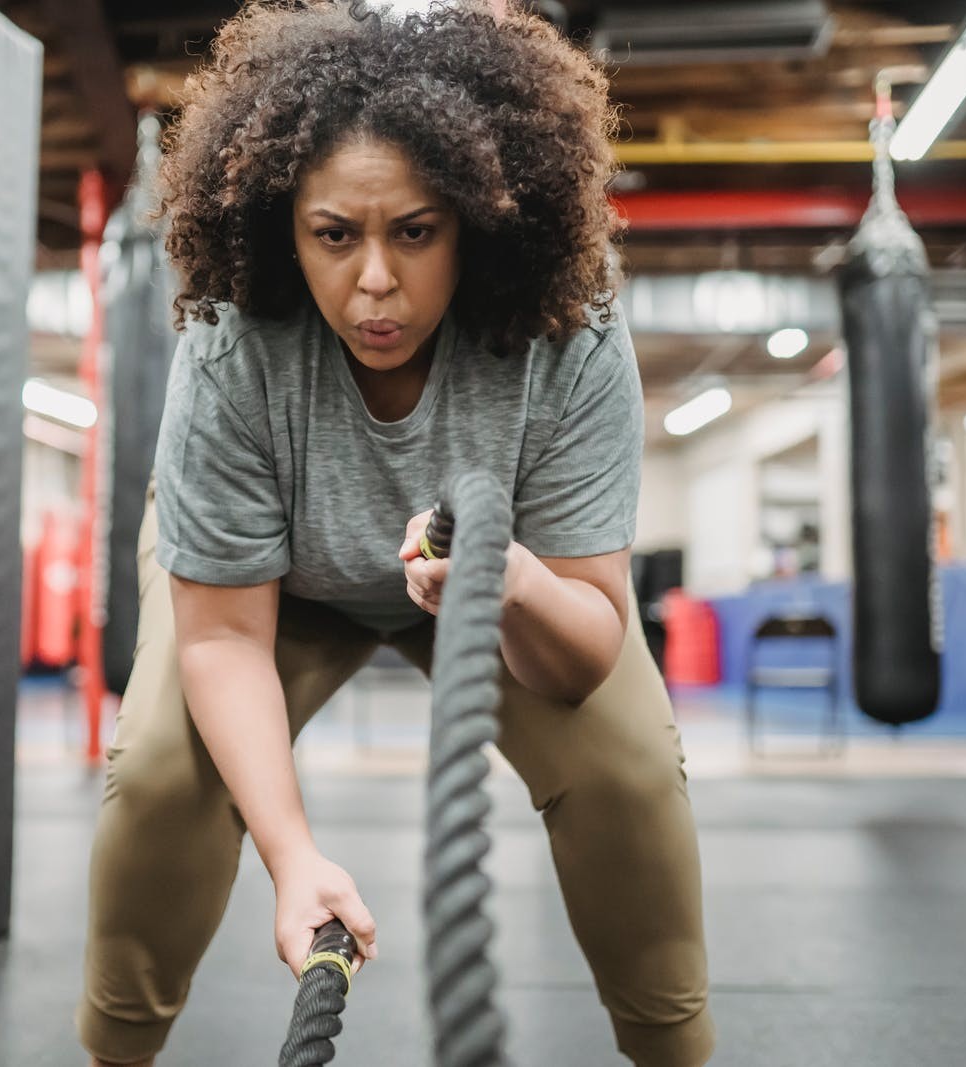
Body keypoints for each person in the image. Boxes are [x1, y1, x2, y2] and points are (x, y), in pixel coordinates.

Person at [76, 3, 713, 1064]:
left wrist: (509, 582)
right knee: (156, 778)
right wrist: (294, 860)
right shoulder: (232, 335)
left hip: (491, 587)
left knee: (630, 771)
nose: (374, 280)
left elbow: (588, 641)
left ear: (477, 220)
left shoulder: (570, 329)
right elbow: (225, 637)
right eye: (335, 235)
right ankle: (113, 1052)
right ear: (285, 226)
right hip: (274, 592)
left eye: (414, 232)